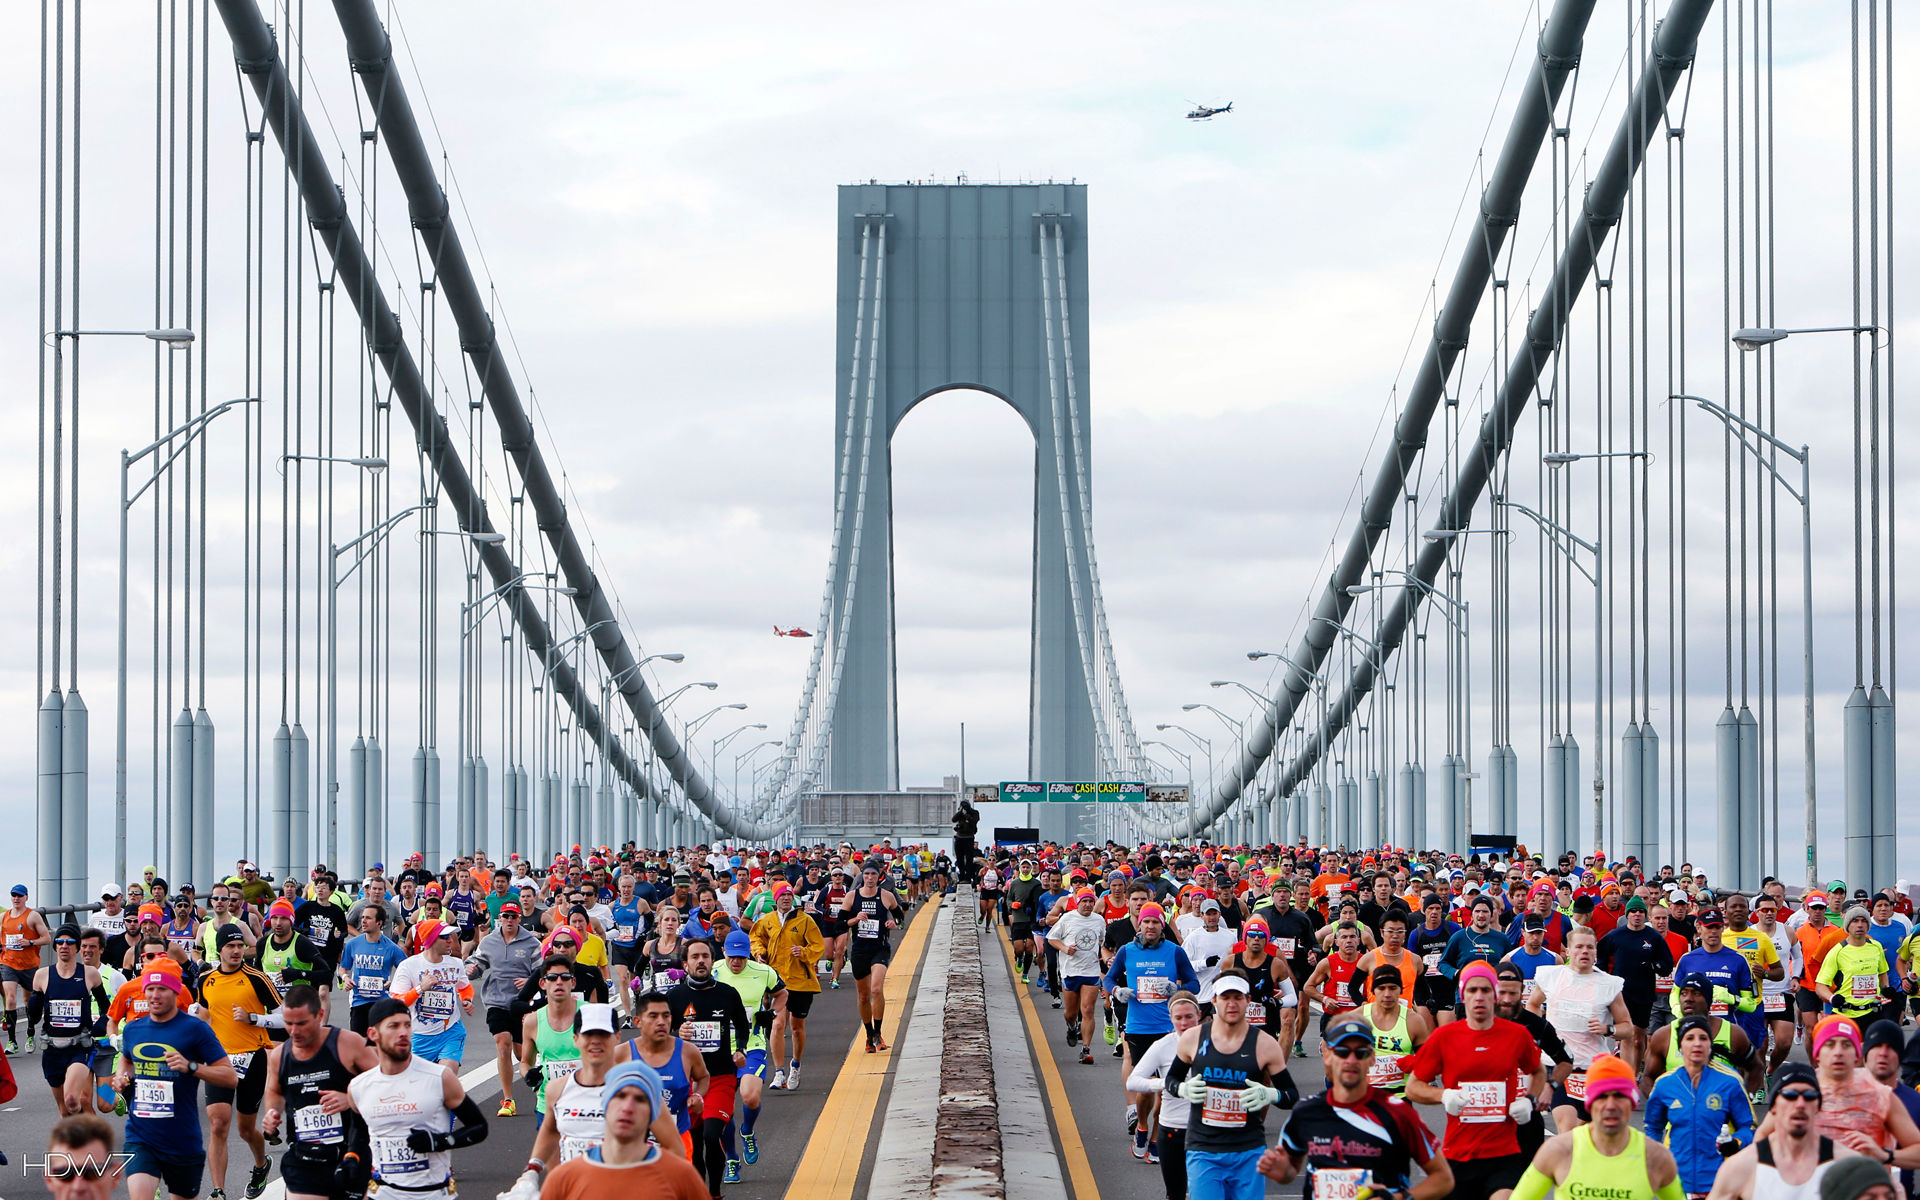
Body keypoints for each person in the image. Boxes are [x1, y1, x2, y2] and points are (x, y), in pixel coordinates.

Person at [1258, 1017, 1453, 1199]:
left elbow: (1443, 1179)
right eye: (1342, 1051)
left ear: (1372, 1058)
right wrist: (1282, 1172)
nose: (1351, 1060)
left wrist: (1398, 1198)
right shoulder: (1306, 1112)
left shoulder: (1399, 1113)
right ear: (1326, 1055)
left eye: (1361, 1053)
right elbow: (1289, 1171)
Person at [1399, 961, 1548, 1200]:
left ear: (1495, 995)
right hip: (1459, 1154)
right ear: (1463, 995)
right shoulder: (1444, 1037)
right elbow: (1413, 1086)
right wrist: (1444, 1095)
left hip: (1504, 1155)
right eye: (1472, 990)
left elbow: (1538, 1071)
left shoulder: (1516, 1035)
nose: (1479, 997)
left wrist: (1529, 1100)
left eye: (1486, 990)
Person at [1160, 971, 1293, 1200]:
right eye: (1225, 997)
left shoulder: (1265, 1044)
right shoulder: (1193, 1038)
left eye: (1238, 997)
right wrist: (1182, 1089)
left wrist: (1271, 1095)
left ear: (1248, 1000)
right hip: (1204, 1150)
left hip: (1249, 1151)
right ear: (1214, 1001)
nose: (1231, 1004)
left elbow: (1292, 1095)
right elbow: (1171, 1080)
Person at [111, 967, 241, 1200]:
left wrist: (191, 1067)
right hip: (140, 1135)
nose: (154, 995)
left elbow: (229, 1077)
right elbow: (126, 1059)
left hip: (181, 1140)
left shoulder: (195, 1029)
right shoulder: (133, 1030)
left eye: (162, 989)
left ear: (175, 992)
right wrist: (122, 1077)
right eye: (150, 989)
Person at [345, 998, 489, 1194]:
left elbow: (479, 1127)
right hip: (383, 1193)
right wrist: (351, 1158)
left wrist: (439, 1142)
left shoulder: (439, 1077)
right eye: (393, 1026)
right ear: (373, 1034)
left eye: (407, 1025)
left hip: (432, 1192)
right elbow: (359, 1133)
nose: (403, 1032)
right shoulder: (359, 1087)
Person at [257, 984, 379, 1200]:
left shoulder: (347, 1043)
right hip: (304, 1158)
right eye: (288, 1023)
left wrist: (350, 1098)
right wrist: (272, 1114)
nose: (294, 1031)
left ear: (320, 1014)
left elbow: (385, 1083)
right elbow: (274, 1091)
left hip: (349, 1153)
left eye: (302, 1023)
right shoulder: (280, 1056)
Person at [1509, 1053, 1680, 1200]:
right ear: (1589, 1104)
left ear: (1632, 1103)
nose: (1611, 1105)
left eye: (1620, 1096)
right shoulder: (1558, 1151)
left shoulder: (1656, 1157)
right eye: (1602, 1097)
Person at [1105, 901, 1201, 1159]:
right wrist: (1117, 991)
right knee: (1147, 1086)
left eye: (1155, 922)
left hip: (1169, 1030)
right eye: (1146, 921)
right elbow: (1108, 978)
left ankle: (1157, 1137)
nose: (1150, 926)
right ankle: (1143, 1126)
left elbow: (1194, 984)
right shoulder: (1127, 951)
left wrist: (1176, 989)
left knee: (1166, 1090)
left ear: (1162, 925)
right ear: (1139, 923)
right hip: (1138, 1028)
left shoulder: (1174, 951)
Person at [531, 1061, 710, 1200]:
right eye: (620, 1096)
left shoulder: (682, 1176)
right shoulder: (563, 1178)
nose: (628, 1107)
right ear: (605, 1105)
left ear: (653, 1112)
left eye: (640, 1099)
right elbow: (549, 1130)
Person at [191, 927, 282, 1200]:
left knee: (244, 1128)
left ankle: (261, 1163)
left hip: (252, 1058)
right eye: (230, 946)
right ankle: (218, 1191)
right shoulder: (206, 978)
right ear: (219, 949)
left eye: (240, 945)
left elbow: (284, 1017)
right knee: (218, 1124)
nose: (236, 950)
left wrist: (254, 1019)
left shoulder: (257, 978)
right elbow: (205, 1012)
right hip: (219, 1060)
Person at [1526, 925, 1637, 1129]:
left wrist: (1608, 1029)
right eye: (1578, 947)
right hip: (1559, 1065)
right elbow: (1532, 1004)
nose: (1584, 951)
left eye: (1589, 947)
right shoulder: (1552, 976)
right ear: (1567, 951)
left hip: (1593, 1069)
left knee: (1587, 1131)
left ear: (1596, 952)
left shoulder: (1608, 984)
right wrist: (1541, 1031)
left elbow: (1628, 1029)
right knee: (1566, 1129)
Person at [666, 938, 751, 1198]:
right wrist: (676, 1031)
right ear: (685, 963)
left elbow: (742, 1025)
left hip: (721, 1076)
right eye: (695, 957)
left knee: (712, 1136)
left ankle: (714, 1192)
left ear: (712, 961)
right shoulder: (675, 996)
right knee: (694, 1140)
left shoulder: (727, 993)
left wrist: (741, 1050)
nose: (701, 960)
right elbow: (662, 1031)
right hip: (687, 1080)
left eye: (705, 956)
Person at [1708, 1063, 1861, 1200]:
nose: (1800, 1104)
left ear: (1818, 1106)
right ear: (1773, 1106)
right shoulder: (1740, 1168)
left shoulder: (1849, 1165)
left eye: (1809, 1096)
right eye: (1790, 1095)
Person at [1644, 1015, 1756, 1196]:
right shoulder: (1665, 1084)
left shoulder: (1730, 1083)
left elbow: (1749, 1127)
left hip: (1720, 1183)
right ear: (1681, 1046)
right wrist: (1656, 1159)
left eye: (1703, 1038)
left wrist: (1735, 1142)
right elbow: (1652, 1126)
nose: (1697, 1044)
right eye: (1690, 1038)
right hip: (1676, 1182)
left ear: (1710, 1044)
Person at [713, 929, 785, 1181]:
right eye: (732, 956)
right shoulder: (714, 971)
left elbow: (782, 993)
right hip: (719, 1047)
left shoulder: (763, 972)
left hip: (751, 1045)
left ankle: (747, 1131)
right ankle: (732, 1160)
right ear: (724, 953)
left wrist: (772, 1013)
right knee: (722, 1113)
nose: (736, 962)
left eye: (741, 957)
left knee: (750, 1096)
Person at [467, 902, 542, 1116]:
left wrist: (529, 981)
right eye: (506, 916)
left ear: (519, 918)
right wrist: (471, 969)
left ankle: (540, 1093)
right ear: (500, 917)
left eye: (513, 916)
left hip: (522, 1003)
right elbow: (477, 963)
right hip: (496, 1001)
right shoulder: (489, 941)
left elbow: (543, 971)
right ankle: (508, 1100)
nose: (509, 920)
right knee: (502, 1044)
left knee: (523, 1055)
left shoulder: (531, 942)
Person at [750, 880, 823, 1090]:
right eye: (782, 895)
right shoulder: (767, 920)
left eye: (789, 895)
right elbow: (756, 937)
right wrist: (758, 953)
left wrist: (805, 952)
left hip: (800, 981)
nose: (786, 898)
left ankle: (796, 1066)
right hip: (776, 980)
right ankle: (779, 1071)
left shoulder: (805, 920)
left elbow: (817, 945)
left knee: (797, 1028)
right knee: (777, 1024)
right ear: (775, 898)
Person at [31, 922, 109, 1116]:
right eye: (60, 942)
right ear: (55, 946)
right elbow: (35, 1012)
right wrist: (34, 1007)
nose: (64, 946)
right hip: (52, 1048)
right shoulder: (42, 975)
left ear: (77, 947)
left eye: (70, 942)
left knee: (73, 1099)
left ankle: (88, 1135)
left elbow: (107, 1008)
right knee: (65, 1111)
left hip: (80, 1046)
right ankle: (83, 1137)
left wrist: (102, 1023)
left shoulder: (90, 974)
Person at [1127, 991, 1203, 1185]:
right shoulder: (1164, 1045)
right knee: (1176, 1191)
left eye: (1189, 1017)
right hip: (1174, 1127)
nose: (1184, 1023)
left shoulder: (1215, 1043)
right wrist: (1167, 1084)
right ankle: (1142, 1127)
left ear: (1199, 1016)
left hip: (1207, 1127)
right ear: (1170, 1018)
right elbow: (1133, 1081)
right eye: (1178, 1018)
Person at [631, 988, 711, 1157]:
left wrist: (697, 1096)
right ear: (638, 1021)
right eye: (653, 1016)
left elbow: (703, 1077)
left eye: (666, 1016)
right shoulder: (622, 1054)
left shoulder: (688, 1051)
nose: (661, 1022)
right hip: (635, 1142)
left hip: (677, 1139)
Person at [388, 919, 475, 1067]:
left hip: (451, 1031)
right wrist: (420, 989)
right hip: (420, 1036)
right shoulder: (408, 966)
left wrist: (467, 999)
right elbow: (396, 1003)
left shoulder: (456, 963)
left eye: (451, 936)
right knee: (419, 1086)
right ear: (431, 939)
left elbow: (464, 987)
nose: (450, 941)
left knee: (446, 1074)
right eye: (444, 937)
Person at [840, 862, 904, 1052]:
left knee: (876, 989)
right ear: (862, 877)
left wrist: (894, 922)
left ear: (879, 876)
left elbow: (900, 917)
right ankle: (868, 1035)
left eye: (873, 874)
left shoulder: (886, 896)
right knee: (863, 996)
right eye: (866, 874)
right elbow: (840, 925)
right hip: (859, 950)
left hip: (880, 948)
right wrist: (855, 919)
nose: (869, 877)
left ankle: (878, 1033)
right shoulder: (852, 897)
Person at [1049, 887, 1109, 1065]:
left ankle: (1086, 1050)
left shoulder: (1099, 920)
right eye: (1085, 901)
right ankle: (1071, 1027)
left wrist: (1099, 953)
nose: (1088, 905)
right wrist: (1065, 949)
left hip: (1090, 971)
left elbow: (1101, 941)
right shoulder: (1067, 918)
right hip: (1070, 971)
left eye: (1091, 901)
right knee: (1070, 1013)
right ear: (1078, 902)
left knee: (1088, 1010)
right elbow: (1052, 938)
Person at [522, 955, 583, 1125]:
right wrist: (530, 1077)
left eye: (565, 977)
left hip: (586, 1103)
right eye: (552, 978)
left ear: (573, 983)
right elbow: (525, 1062)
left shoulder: (589, 1014)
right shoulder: (533, 1021)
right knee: (546, 1152)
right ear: (543, 983)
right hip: (548, 1105)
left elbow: (610, 1057)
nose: (559, 982)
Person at [1360, 963, 1429, 1097]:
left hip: (1400, 1099)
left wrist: (1414, 1063)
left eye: (1392, 988)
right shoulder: (1358, 1017)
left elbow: (1427, 1065)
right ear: (1373, 990)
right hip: (1364, 1098)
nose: (1387, 994)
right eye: (1381, 988)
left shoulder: (1414, 1021)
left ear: (1400, 990)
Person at [339, 906, 407, 1037]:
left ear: (379, 923)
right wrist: (346, 978)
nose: (363, 921)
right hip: (359, 1001)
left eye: (368, 918)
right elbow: (343, 968)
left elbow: (406, 970)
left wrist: (393, 983)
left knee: (379, 1045)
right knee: (359, 1045)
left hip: (381, 1002)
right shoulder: (352, 944)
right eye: (362, 917)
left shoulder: (391, 948)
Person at [4, 881, 53, 1052]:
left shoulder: (32, 916)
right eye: (14, 895)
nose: (16, 898)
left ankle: (30, 1034)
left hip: (29, 965)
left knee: (28, 1002)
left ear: (26, 897)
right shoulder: (4, 917)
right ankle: (12, 1042)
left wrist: (30, 942)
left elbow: (46, 938)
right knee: (10, 998)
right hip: (8, 963)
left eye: (19, 895)